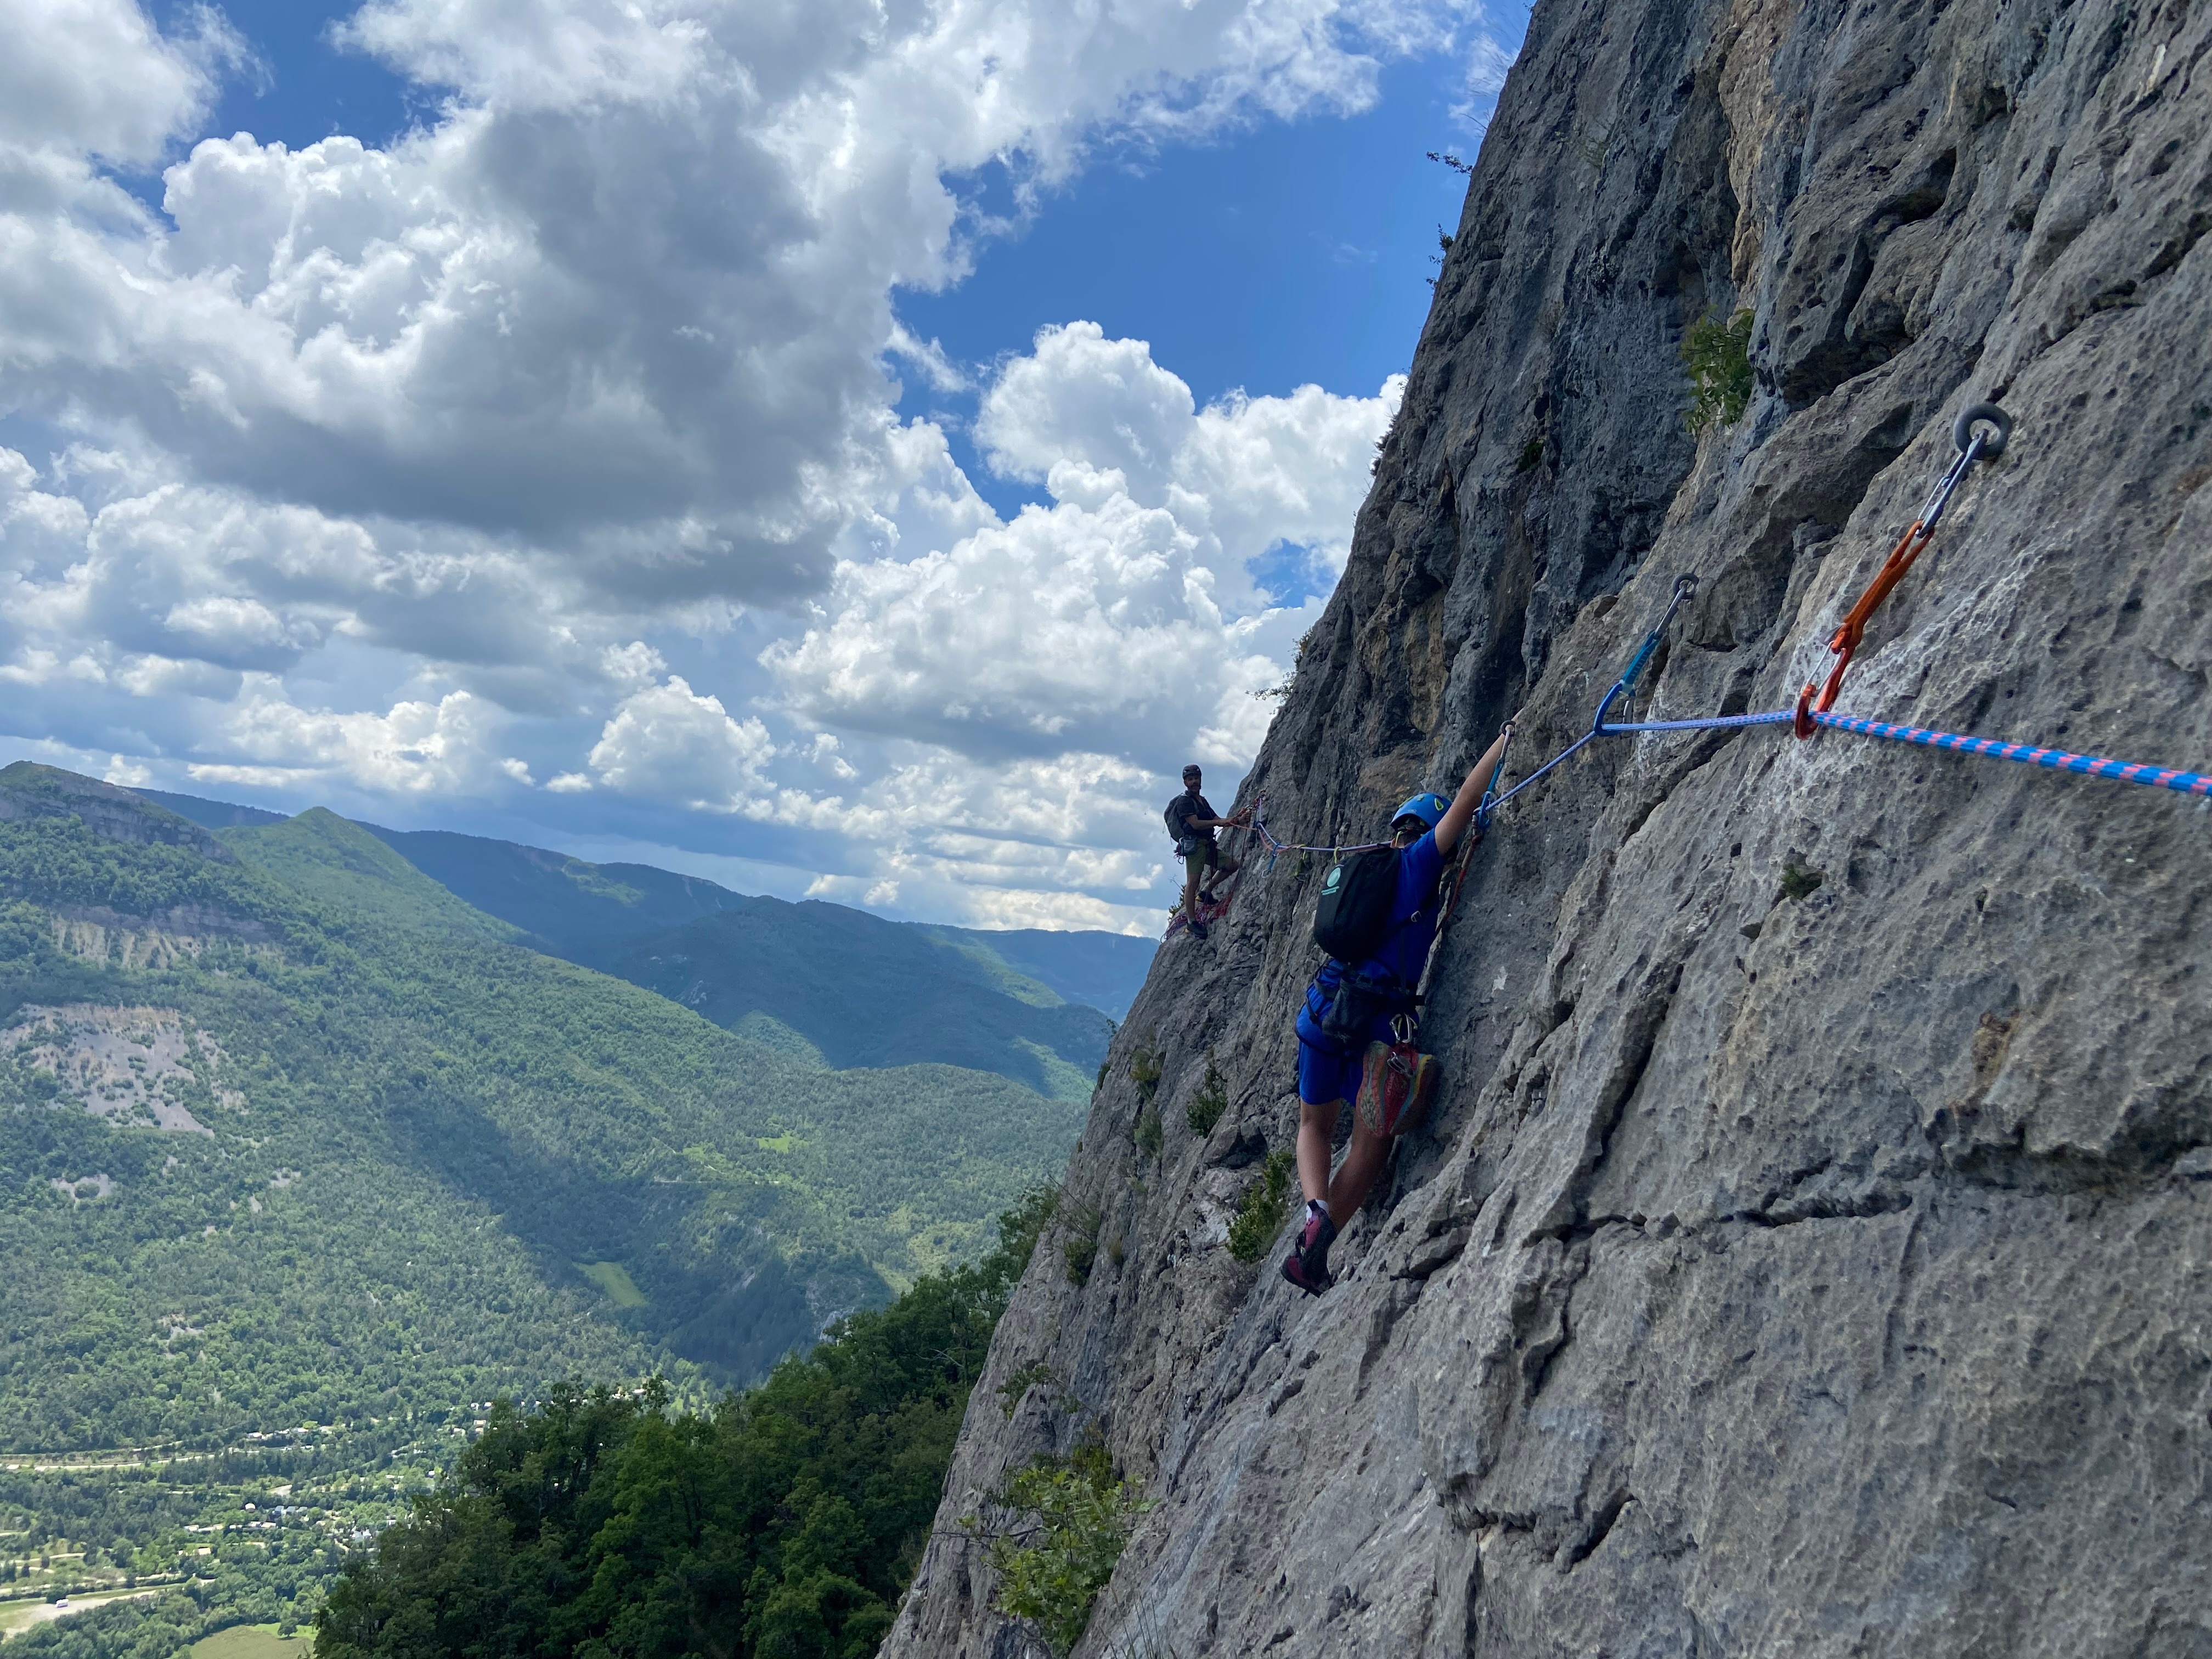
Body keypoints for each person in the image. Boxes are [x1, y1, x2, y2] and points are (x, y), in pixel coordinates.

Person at [1282, 720, 1515, 1295]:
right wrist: (1506, 739)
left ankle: (1315, 1215)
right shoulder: (1417, 869)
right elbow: (1466, 799)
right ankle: (1320, 1243)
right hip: (1375, 1028)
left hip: (1321, 1010)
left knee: (1314, 1124)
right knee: (1371, 1146)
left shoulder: (1364, 870)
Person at [1166, 764, 1248, 939]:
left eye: (1196, 778)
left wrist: (1237, 820)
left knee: (1231, 865)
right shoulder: (1185, 801)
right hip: (1194, 846)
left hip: (1207, 844)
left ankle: (1206, 892)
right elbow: (1195, 823)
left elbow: (1216, 818)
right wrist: (1219, 823)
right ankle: (1191, 922)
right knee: (1192, 882)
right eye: (1190, 779)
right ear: (1185, 782)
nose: (1194, 781)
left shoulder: (1202, 801)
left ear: (1201, 779)